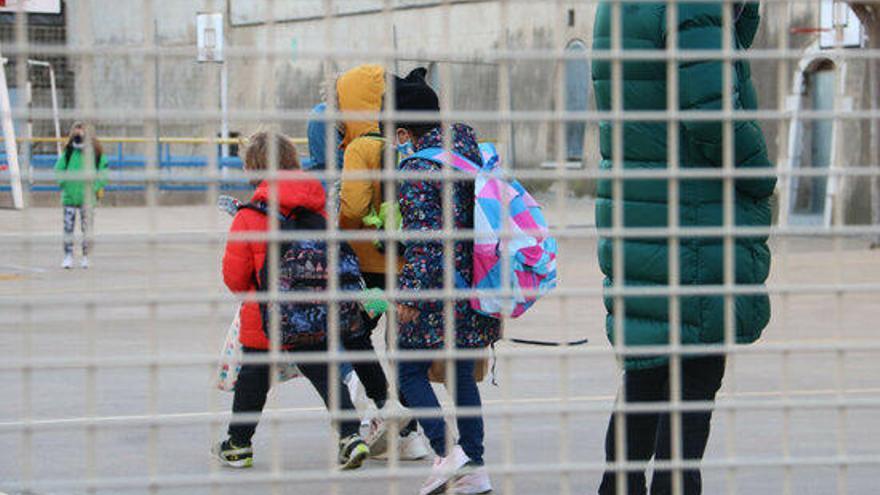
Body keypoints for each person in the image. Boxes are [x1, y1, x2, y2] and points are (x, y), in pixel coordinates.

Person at [591, 2, 776, 494]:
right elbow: (712, 110)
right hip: (692, 217)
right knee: (692, 381)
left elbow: (718, 48)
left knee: (648, 372)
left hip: (644, 209)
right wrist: (759, 174)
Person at [212, 131, 370, 470]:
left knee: (253, 377)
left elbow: (235, 278)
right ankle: (350, 436)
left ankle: (238, 445)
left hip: (267, 312)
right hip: (315, 311)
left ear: (254, 167)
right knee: (325, 372)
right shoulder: (318, 208)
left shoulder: (249, 215)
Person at [393, 71, 500, 495]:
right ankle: (474, 467)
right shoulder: (469, 150)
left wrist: (412, 296)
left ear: (404, 131)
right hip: (475, 283)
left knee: (407, 370)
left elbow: (426, 238)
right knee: (458, 375)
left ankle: (446, 452)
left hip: (437, 290)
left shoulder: (419, 167)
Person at [334, 64, 427, 460]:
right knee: (400, 345)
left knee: (352, 334)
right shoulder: (406, 142)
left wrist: (335, 224)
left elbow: (353, 206)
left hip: (369, 266)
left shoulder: (361, 147)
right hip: (407, 266)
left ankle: (388, 412)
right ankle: (412, 435)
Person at [54, 122, 108, 269]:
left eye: (82, 132)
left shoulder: (96, 153)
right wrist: (65, 184)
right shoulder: (69, 152)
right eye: (76, 132)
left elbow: (103, 174)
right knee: (68, 228)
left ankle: (86, 257)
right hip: (69, 198)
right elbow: (58, 170)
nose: (79, 135)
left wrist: (94, 188)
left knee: (87, 228)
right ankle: (68, 256)